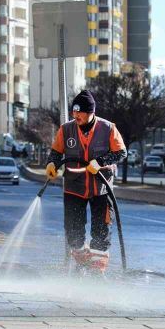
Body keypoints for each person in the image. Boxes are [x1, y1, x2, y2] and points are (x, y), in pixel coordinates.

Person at [46, 90, 126, 272]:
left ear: (91, 112)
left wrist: (100, 162)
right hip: (74, 187)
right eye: (74, 112)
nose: (76, 115)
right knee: (73, 231)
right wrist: (52, 163)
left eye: (80, 112)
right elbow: (57, 152)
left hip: (101, 188)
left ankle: (97, 272)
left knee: (101, 232)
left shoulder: (108, 128)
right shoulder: (66, 129)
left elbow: (121, 152)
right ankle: (82, 264)